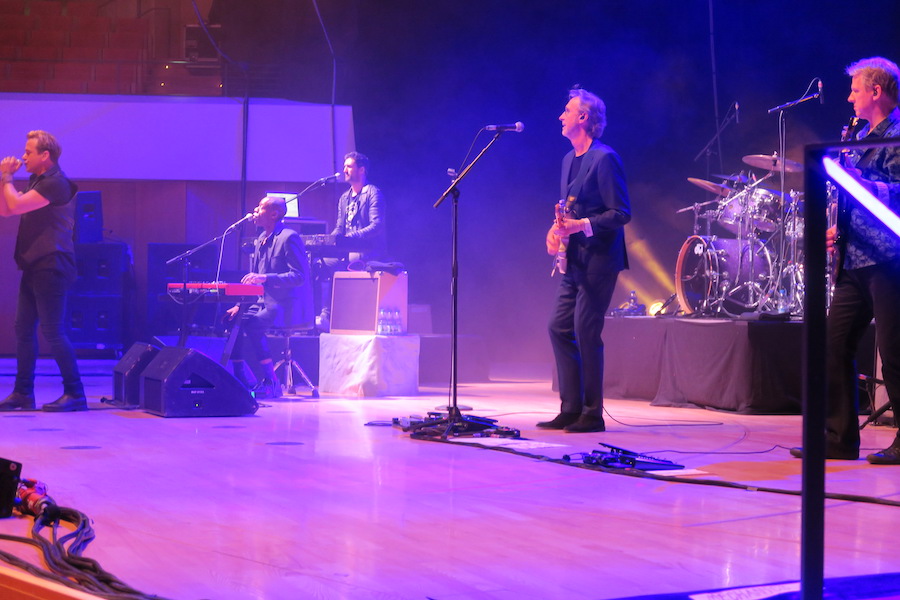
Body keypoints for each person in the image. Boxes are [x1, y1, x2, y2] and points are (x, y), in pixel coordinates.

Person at [791, 57, 900, 463]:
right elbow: (858, 197)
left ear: (876, 91)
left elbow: (895, 190)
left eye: (855, 90)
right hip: (855, 259)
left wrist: (857, 180)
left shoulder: (895, 135)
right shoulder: (862, 136)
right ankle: (839, 438)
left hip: (889, 258)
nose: (850, 98)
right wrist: (839, 226)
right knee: (833, 344)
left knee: (895, 352)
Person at [538, 88, 631, 433]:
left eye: (567, 110)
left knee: (586, 331)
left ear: (583, 117)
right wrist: (556, 230)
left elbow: (621, 213)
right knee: (558, 327)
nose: (560, 116)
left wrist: (581, 225)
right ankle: (571, 407)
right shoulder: (568, 159)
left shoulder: (605, 158)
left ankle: (592, 414)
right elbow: (569, 210)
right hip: (574, 260)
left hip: (600, 260)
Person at [0, 130, 86, 412]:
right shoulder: (38, 181)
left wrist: (7, 177)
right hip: (35, 264)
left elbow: (14, 205)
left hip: (52, 264)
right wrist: (4, 181)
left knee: (53, 331)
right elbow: (6, 210)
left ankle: (75, 393)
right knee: (23, 329)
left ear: (44, 155)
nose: (23, 157)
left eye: (28, 152)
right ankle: (23, 393)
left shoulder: (56, 182)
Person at [225, 195, 314, 399]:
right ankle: (240, 377)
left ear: (274, 214)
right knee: (232, 320)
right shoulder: (260, 240)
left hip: (285, 304)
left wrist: (266, 278)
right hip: (261, 302)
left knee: (253, 325)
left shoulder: (289, 237)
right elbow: (253, 281)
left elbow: (299, 276)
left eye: (260, 208)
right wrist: (239, 305)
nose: (255, 211)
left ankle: (271, 381)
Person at [315, 151, 386, 331]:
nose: (344, 170)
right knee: (320, 263)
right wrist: (329, 241)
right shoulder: (344, 198)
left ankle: (344, 317)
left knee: (353, 260)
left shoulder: (373, 193)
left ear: (361, 170)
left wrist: (350, 238)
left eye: (349, 166)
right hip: (347, 251)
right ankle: (324, 316)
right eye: (344, 166)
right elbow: (340, 227)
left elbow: (377, 226)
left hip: (368, 250)